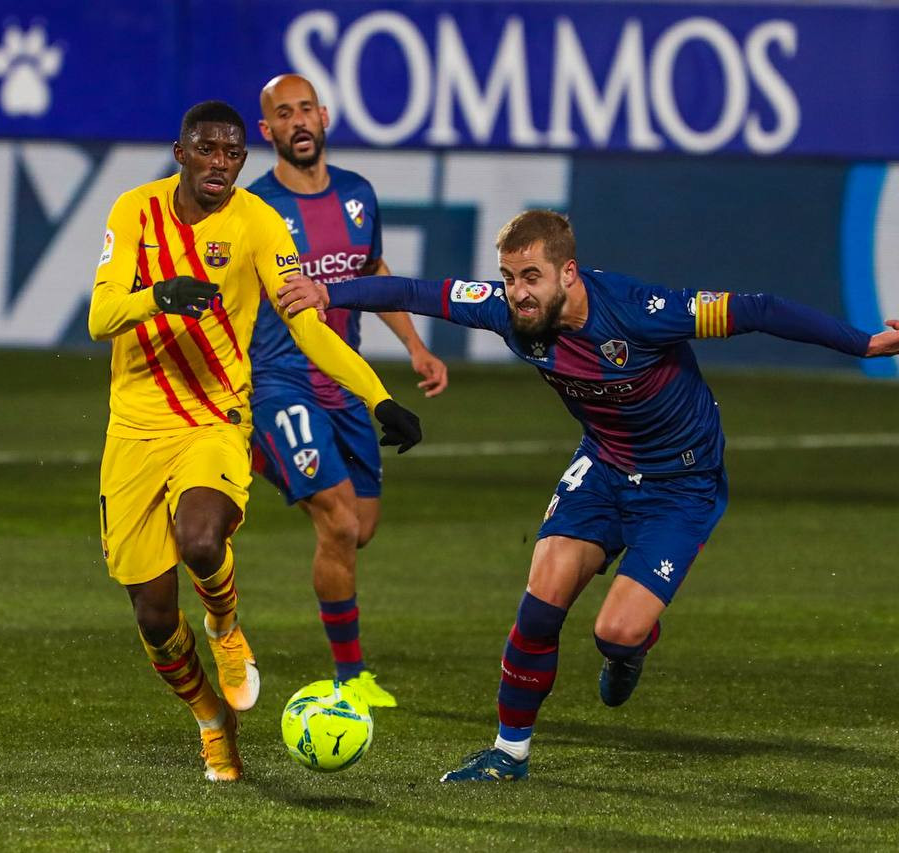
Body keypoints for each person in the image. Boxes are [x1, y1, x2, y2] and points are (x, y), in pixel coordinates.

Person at [277, 209, 899, 781]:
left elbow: (759, 308)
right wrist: (331, 292)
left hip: (681, 484)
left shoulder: (643, 310)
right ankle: (508, 754)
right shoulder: (508, 310)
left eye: (531, 277)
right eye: (508, 276)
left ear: (567, 274)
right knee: (541, 603)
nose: (517, 291)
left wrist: (862, 343)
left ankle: (630, 651)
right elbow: (418, 293)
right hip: (602, 468)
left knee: (616, 632)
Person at [87, 100, 422, 782]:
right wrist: (160, 295)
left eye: (233, 153)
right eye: (207, 149)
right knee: (153, 616)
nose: (220, 163)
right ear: (180, 152)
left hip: (214, 419)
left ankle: (225, 626)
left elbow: (307, 327)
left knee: (203, 539)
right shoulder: (133, 211)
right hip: (134, 429)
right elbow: (100, 315)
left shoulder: (260, 223)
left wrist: (378, 394)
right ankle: (214, 719)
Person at [247, 74, 448, 707]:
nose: (299, 121)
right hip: (281, 383)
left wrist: (414, 346)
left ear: (326, 116)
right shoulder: (255, 209)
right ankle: (350, 676)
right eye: (285, 114)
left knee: (361, 528)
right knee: (335, 521)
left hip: (345, 382)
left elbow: (372, 271)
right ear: (268, 130)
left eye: (307, 109)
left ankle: (264, 460)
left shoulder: (359, 195)